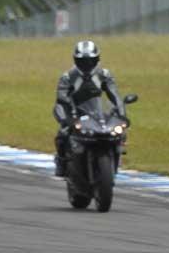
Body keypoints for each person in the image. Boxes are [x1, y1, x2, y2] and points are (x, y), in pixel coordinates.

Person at [52, 40, 126, 177]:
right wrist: (69, 113)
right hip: (72, 108)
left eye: (90, 61)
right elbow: (61, 96)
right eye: (83, 61)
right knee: (63, 133)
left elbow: (114, 95)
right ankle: (61, 161)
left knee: (118, 131)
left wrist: (122, 115)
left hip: (95, 110)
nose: (87, 65)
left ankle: (116, 154)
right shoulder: (68, 77)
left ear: (97, 59)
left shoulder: (104, 75)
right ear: (76, 60)